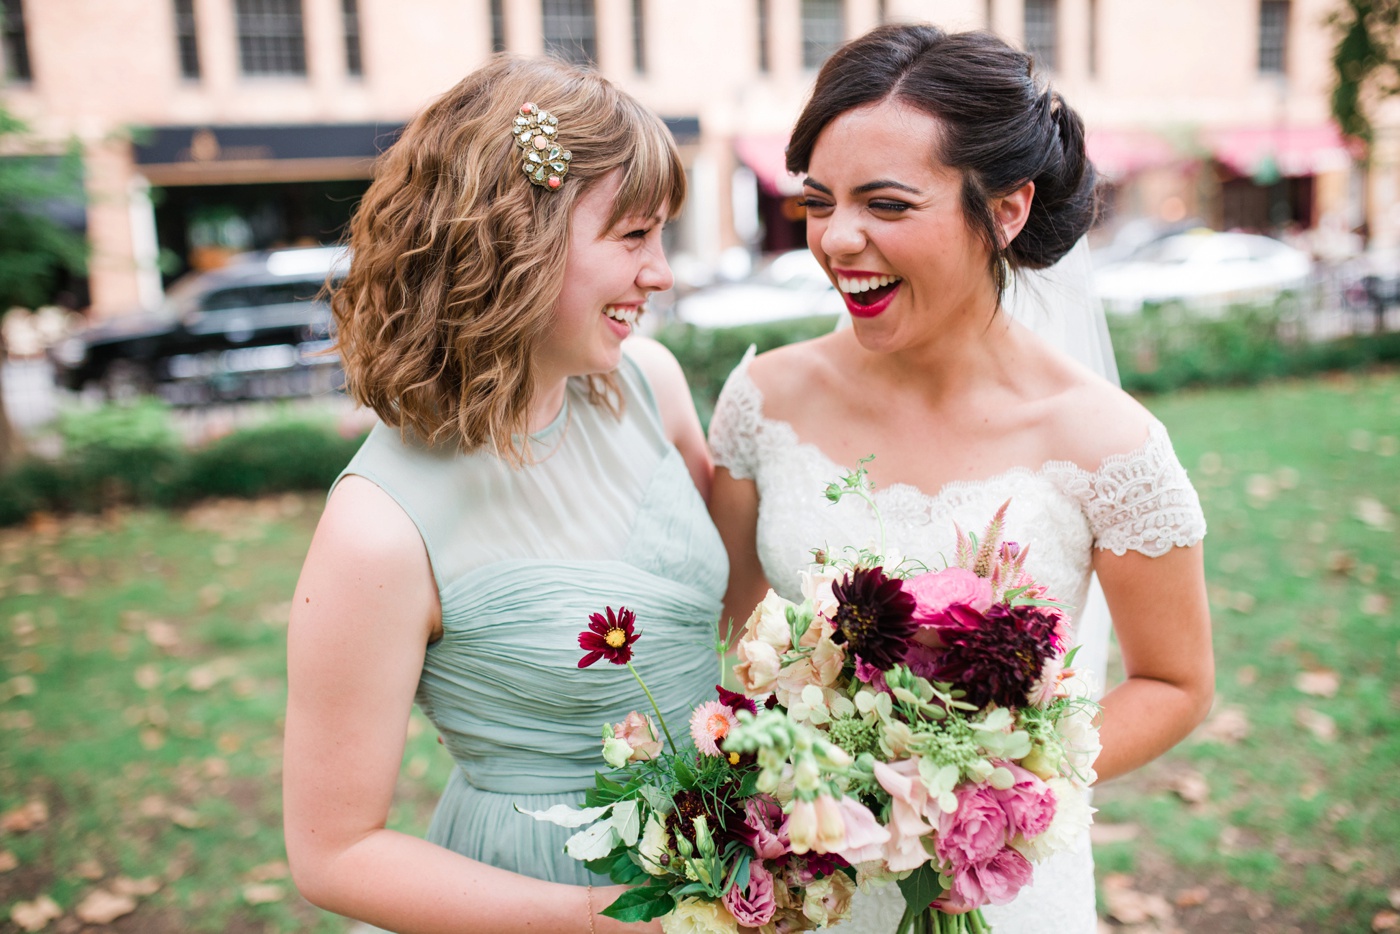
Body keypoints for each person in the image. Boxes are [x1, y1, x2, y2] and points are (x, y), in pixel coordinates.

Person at [707, 24, 1214, 934]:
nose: (837, 239)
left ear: (1007, 210)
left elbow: (1176, 684)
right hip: (802, 885)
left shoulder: (1109, 445)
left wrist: (987, 783)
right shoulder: (762, 401)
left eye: (888, 205)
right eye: (819, 202)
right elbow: (736, 641)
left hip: (998, 886)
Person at [282, 55, 726, 934]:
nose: (663, 274)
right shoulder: (378, 528)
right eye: (634, 237)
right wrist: (614, 917)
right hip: (538, 895)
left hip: (726, 860)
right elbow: (332, 853)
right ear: (517, 239)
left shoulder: (652, 387)